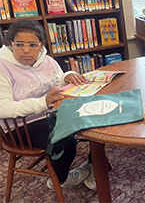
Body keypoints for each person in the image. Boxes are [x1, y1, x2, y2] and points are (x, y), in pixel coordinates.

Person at [0, 20, 96, 190]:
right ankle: (60, 179)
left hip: (51, 113)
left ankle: (93, 166)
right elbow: (3, 108)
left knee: (98, 120)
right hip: (21, 126)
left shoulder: (47, 60)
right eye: (20, 45)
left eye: (32, 45)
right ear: (11, 44)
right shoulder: (3, 66)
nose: (26, 50)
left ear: (41, 45)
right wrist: (42, 103)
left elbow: (57, 81)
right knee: (65, 141)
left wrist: (68, 75)